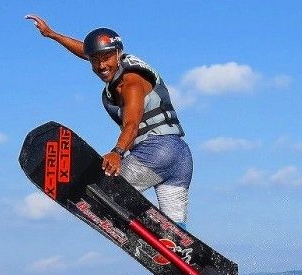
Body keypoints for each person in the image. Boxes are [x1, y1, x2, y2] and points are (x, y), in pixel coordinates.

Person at [25, 15, 193, 228]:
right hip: (180, 157)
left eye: (105, 58)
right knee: (178, 236)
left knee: (101, 194)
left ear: (118, 54)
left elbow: (132, 124)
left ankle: (144, 228)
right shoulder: (119, 63)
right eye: (95, 60)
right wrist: (52, 34)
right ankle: (183, 254)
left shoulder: (130, 83)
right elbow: (86, 51)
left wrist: (117, 152)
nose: (100, 65)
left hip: (156, 152)